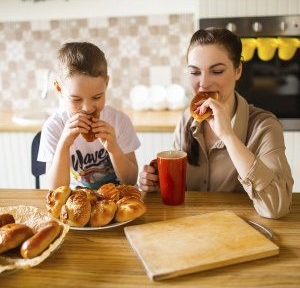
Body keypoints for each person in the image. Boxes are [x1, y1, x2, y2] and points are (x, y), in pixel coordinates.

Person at [139, 28, 293, 219]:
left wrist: (228, 135)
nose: (203, 84)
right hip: (191, 229)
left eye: (217, 71)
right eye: (195, 72)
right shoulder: (187, 119)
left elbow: (276, 207)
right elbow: (180, 191)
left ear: (238, 70)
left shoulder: (265, 127)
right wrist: (154, 182)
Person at [38, 42, 140, 190]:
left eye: (97, 97)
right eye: (76, 99)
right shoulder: (54, 127)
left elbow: (130, 180)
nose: (87, 108)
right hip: (79, 200)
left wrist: (114, 149)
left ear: (106, 84)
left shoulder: (119, 121)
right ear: (59, 89)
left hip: (118, 197)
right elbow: (56, 189)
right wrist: (64, 144)